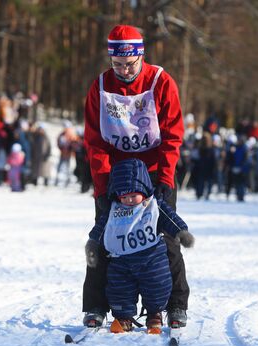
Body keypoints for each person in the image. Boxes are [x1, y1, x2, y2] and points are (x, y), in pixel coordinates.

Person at [83, 24, 188, 329]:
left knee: (166, 239)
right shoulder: (100, 87)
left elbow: (172, 136)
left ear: (141, 56)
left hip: (156, 173)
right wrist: (102, 188)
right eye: (117, 64)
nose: (124, 70)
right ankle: (96, 306)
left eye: (130, 64)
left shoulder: (161, 81)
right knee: (105, 239)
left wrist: (165, 182)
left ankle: (175, 305)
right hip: (116, 178)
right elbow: (95, 141)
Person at [85, 159, 194, 334]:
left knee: (157, 286)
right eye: (124, 196)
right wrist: (92, 244)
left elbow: (170, 218)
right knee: (119, 289)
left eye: (133, 195)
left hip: (152, 260)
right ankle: (123, 317)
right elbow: (101, 227)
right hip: (121, 261)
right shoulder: (114, 208)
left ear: (143, 190)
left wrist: (181, 232)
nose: (128, 200)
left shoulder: (152, 205)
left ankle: (154, 314)